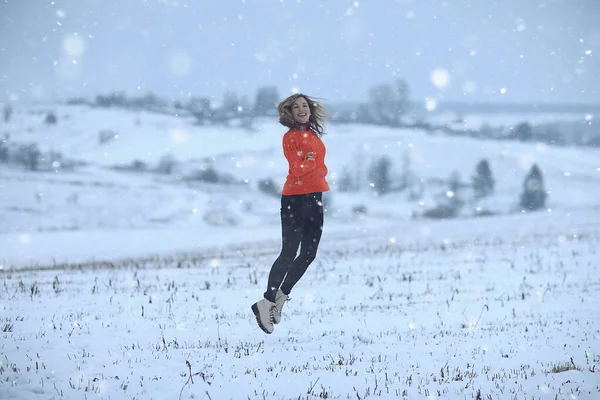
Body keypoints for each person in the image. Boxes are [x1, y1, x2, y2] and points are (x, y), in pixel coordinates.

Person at [251, 93, 330, 334]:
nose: (301, 109)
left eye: (304, 105)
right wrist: (308, 160)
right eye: (296, 107)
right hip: (295, 199)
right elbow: (296, 168)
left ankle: (279, 299)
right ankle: (266, 301)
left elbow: (314, 164)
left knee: (308, 254)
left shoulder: (313, 135)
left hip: (315, 197)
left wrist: (310, 159)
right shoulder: (290, 137)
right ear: (290, 112)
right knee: (289, 252)